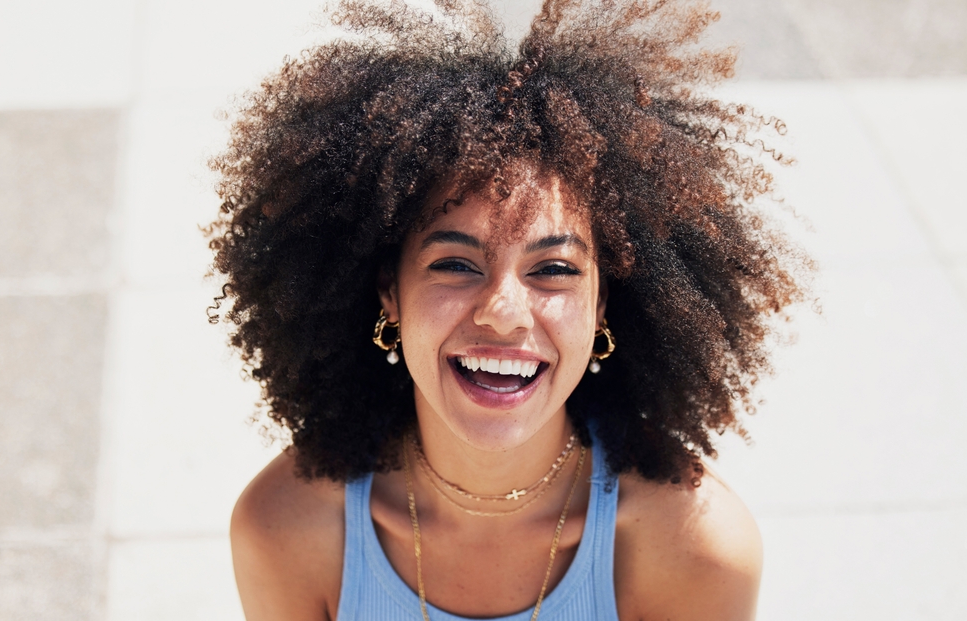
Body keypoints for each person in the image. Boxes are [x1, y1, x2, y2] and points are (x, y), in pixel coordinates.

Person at [207, 0, 809, 619]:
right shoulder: (288, 528)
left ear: (602, 306)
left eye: (553, 269)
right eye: (456, 264)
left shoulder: (694, 547)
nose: (502, 311)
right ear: (389, 291)